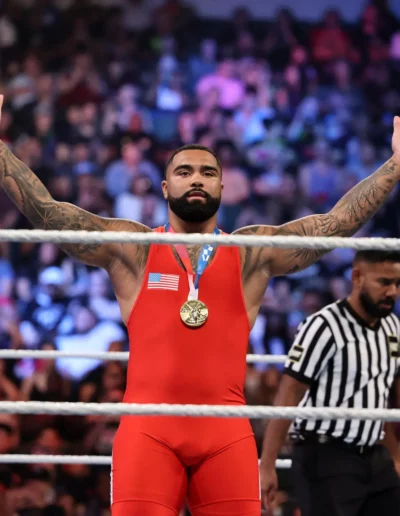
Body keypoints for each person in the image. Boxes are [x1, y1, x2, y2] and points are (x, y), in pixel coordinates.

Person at [0, 91, 400, 514]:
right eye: (184, 171)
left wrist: (395, 167)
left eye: (208, 172)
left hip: (226, 436)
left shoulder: (250, 254)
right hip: (147, 432)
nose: (196, 179)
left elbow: (334, 225)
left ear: (222, 186)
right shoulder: (133, 249)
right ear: (165, 186)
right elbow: (49, 212)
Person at [260, 250, 400, 516]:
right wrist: (267, 465)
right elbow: (289, 392)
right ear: (357, 277)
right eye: (384, 282)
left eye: (397, 283)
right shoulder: (323, 326)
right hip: (327, 455)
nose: (392, 292)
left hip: (376, 456)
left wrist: (395, 457)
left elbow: (381, 397)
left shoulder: (393, 327)